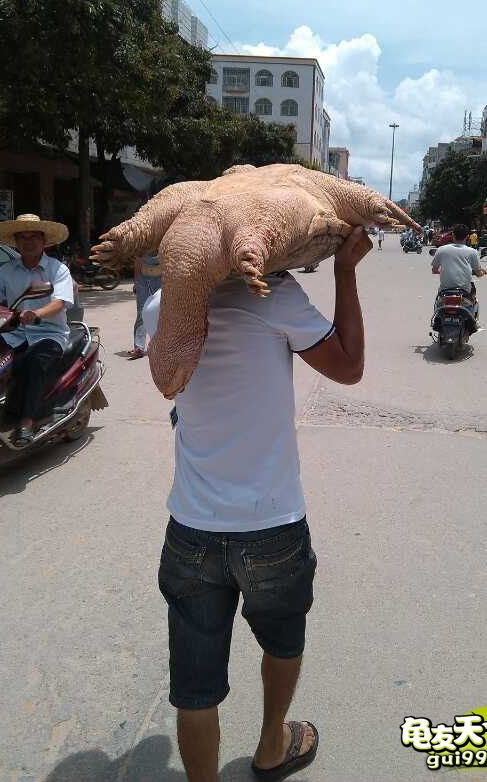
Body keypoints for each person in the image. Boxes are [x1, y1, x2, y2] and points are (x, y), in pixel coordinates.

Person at [142, 226, 372, 782]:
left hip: (191, 528)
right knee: (283, 640)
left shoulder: (161, 304)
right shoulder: (275, 295)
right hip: (272, 525)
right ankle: (273, 745)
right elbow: (349, 367)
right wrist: (344, 271)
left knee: (195, 686)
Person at [0, 214, 74, 445]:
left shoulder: (58, 269)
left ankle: (27, 421)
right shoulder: (6, 271)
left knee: (35, 362)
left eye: (34, 236)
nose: (28, 241)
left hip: (50, 334)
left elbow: (60, 302)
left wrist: (37, 314)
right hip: (15, 333)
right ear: (16, 242)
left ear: (44, 241)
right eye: (23, 237)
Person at [431, 223, 487, 298]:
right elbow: (478, 273)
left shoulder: (441, 249)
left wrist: (444, 271)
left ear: (453, 235)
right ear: (467, 236)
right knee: (474, 300)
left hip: (444, 290)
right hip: (465, 291)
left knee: (438, 301)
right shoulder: (473, 252)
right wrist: (482, 272)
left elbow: (434, 270)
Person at [129, 252, 162, 359]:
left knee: (162, 312)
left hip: (162, 279)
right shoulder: (142, 244)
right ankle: (139, 347)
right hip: (143, 280)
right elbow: (137, 261)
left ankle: (161, 345)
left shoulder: (165, 243)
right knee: (141, 312)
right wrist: (137, 282)